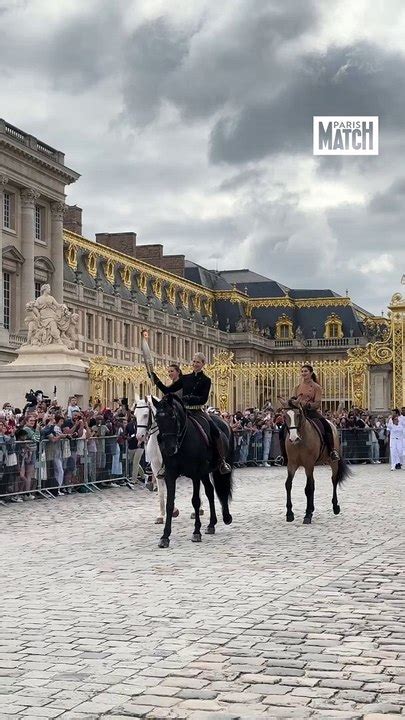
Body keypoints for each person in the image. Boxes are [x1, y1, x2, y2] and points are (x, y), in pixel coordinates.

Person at [150, 352, 231, 474]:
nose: (195, 364)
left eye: (198, 362)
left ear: (203, 364)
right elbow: (168, 390)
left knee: (215, 430)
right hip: (185, 411)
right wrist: (156, 379)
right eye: (193, 361)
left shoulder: (206, 380)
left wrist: (190, 398)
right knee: (166, 431)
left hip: (198, 411)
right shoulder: (185, 378)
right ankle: (164, 463)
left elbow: (204, 399)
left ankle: (222, 461)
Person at [280, 364, 339, 462]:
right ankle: (283, 455)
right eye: (302, 371)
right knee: (282, 430)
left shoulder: (317, 387)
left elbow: (317, 403)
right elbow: (292, 400)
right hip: (298, 413)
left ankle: (332, 451)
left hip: (311, 412)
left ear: (311, 373)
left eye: (306, 371)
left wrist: (307, 405)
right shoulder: (297, 387)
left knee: (326, 426)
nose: (303, 373)